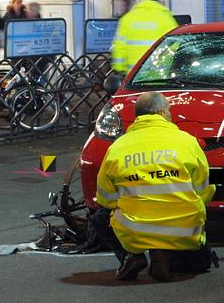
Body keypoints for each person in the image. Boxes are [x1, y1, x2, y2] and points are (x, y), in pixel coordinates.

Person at [92, 91, 217, 281]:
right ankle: (165, 254)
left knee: (100, 218)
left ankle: (131, 257)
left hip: (135, 228)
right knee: (199, 264)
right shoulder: (187, 141)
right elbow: (204, 189)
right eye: (168, 111)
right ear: (161, 112)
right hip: (183, 228)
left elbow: (105, 198)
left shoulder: (118, 147)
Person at [110, 0, 177, 75]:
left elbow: (119, 46)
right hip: (158, 74)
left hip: (132, 75)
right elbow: (174, 45)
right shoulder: (166, 19)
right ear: (159, 0)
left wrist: (119, 68)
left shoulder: (127, 18)